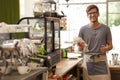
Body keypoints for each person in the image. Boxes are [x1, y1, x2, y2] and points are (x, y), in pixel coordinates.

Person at [78, 4, 113, 80]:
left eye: (94, 12)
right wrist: (80, 47)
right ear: (87, 15)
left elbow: (111, 46)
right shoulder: (82, 29)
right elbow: (80, 49)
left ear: (98, 14)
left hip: (102, 60)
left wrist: (106, 48)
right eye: (90, 13)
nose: (92, 15)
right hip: (88, 60)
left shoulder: (106, 28)